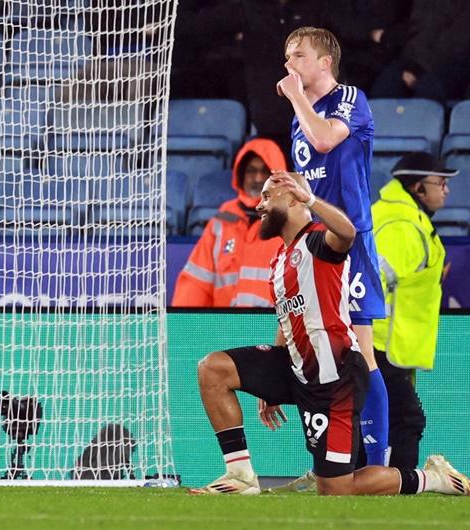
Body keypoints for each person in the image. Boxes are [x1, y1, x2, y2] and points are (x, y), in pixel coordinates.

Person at [191, 171, 470, 496]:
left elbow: (348, 232)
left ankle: (432, 478)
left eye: (268, 196)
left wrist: (310, 198)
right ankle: (240, 476)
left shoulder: (318, 243)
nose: (259, 205)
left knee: (336, 489)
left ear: (294, 198)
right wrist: (268, 383)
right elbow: (287, 320)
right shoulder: (281, 258)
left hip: (336, 381)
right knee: (213, 369)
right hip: (297, 368)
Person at [278, 26, 390, 467]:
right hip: (316, 245)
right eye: (286, 57)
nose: (289, 65)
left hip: (350, 241)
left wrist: (295, 97)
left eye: (299, 56)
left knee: (362, 353)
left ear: (325, 62)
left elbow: (325, 139)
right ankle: (333, 462)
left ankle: (377, 468)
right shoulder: (299, 116)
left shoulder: (349, 98)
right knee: (328, 357)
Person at [177, 0, 333, 146]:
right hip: (266, 116)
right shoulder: (251, 3)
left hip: (314, 118)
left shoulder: (323, 5)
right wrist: (161, 26)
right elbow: (204, 24)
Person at [371, 152, 457, 470]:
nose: (446, 189)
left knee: (385, 420)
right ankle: (398, 487)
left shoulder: (398, 215)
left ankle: (374, 483)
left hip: (385, 342)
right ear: (419, 187)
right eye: (441, 183)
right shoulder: (402, 226)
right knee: (406, 420)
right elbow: (372, 282)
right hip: (381, 343)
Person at [172, 138, 286, 308]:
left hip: (274, 329)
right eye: (251, 171)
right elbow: (196, 283)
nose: (257, 178)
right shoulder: (222, 221)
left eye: (265, 171)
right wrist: (181, 328)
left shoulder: (290, 220)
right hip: (226, 329)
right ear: (240, 175)